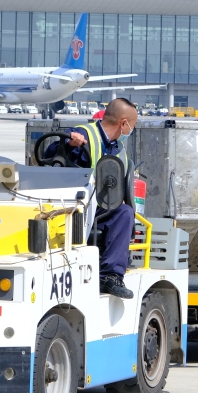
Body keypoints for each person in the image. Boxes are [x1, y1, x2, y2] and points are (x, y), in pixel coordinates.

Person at [58, 97, 138, 299]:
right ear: (123, 123)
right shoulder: (85, 134)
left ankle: (110, 276)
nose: (131, 130)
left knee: (125, 213)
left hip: (99, 205)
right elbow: (54, 150)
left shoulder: (118, 149)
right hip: (71, 202)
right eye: (132, 126)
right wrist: (70, 144)